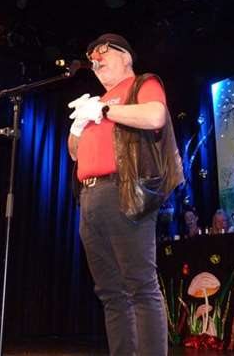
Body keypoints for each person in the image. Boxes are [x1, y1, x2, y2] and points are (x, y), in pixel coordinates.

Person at [67, 33, 184, 356]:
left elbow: (155, 116)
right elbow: (74, 152)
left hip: (125, 191)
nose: (95, 60)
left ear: (126, 56)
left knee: (140, 286)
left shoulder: (141, 84)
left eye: (102, 52)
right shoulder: (95, 102)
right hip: (89, 198)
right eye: (91, 57)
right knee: (110, 292)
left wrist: (104, 110)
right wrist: (77, 126)